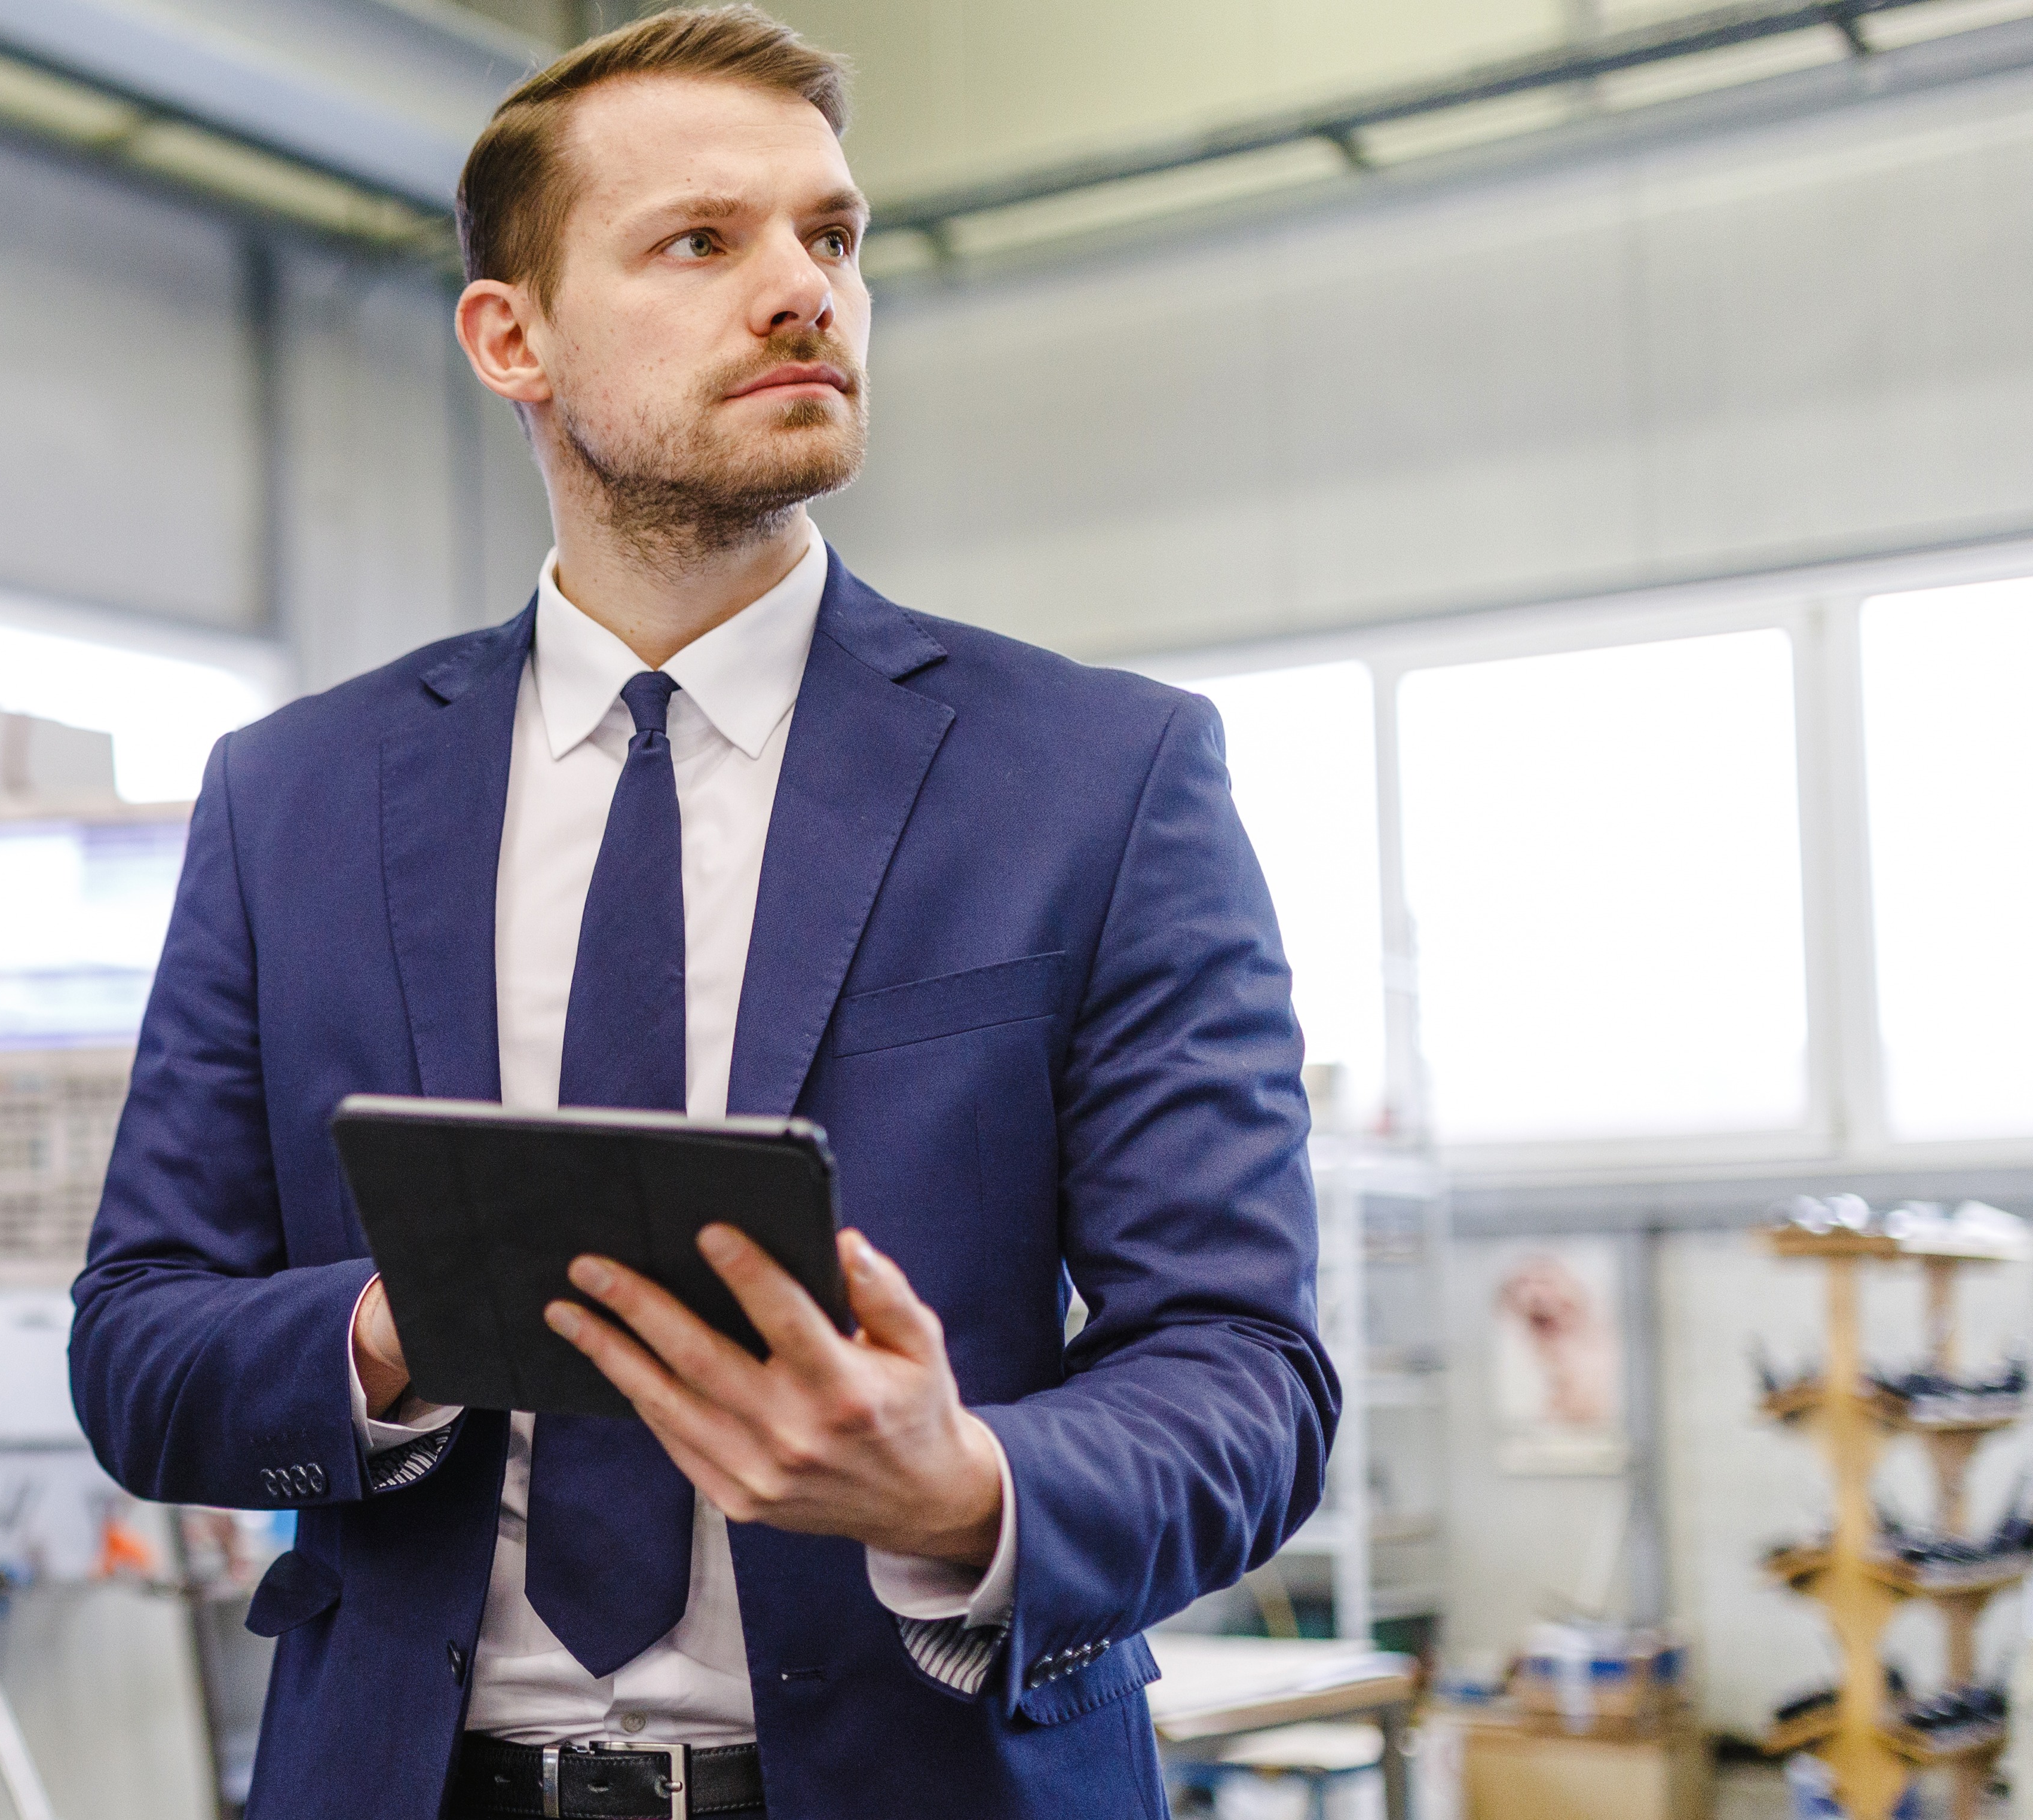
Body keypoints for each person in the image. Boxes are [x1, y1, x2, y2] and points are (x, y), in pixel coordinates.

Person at [65, 10, 1339, 1818]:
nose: (802, 289)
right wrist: (391, 1329)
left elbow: (1248, 1368)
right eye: (700, 242)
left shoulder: (1098, 779)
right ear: (512, 337)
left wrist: (963, 1485)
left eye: (832, 236)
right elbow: (137, 1342)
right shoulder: (296, 800)